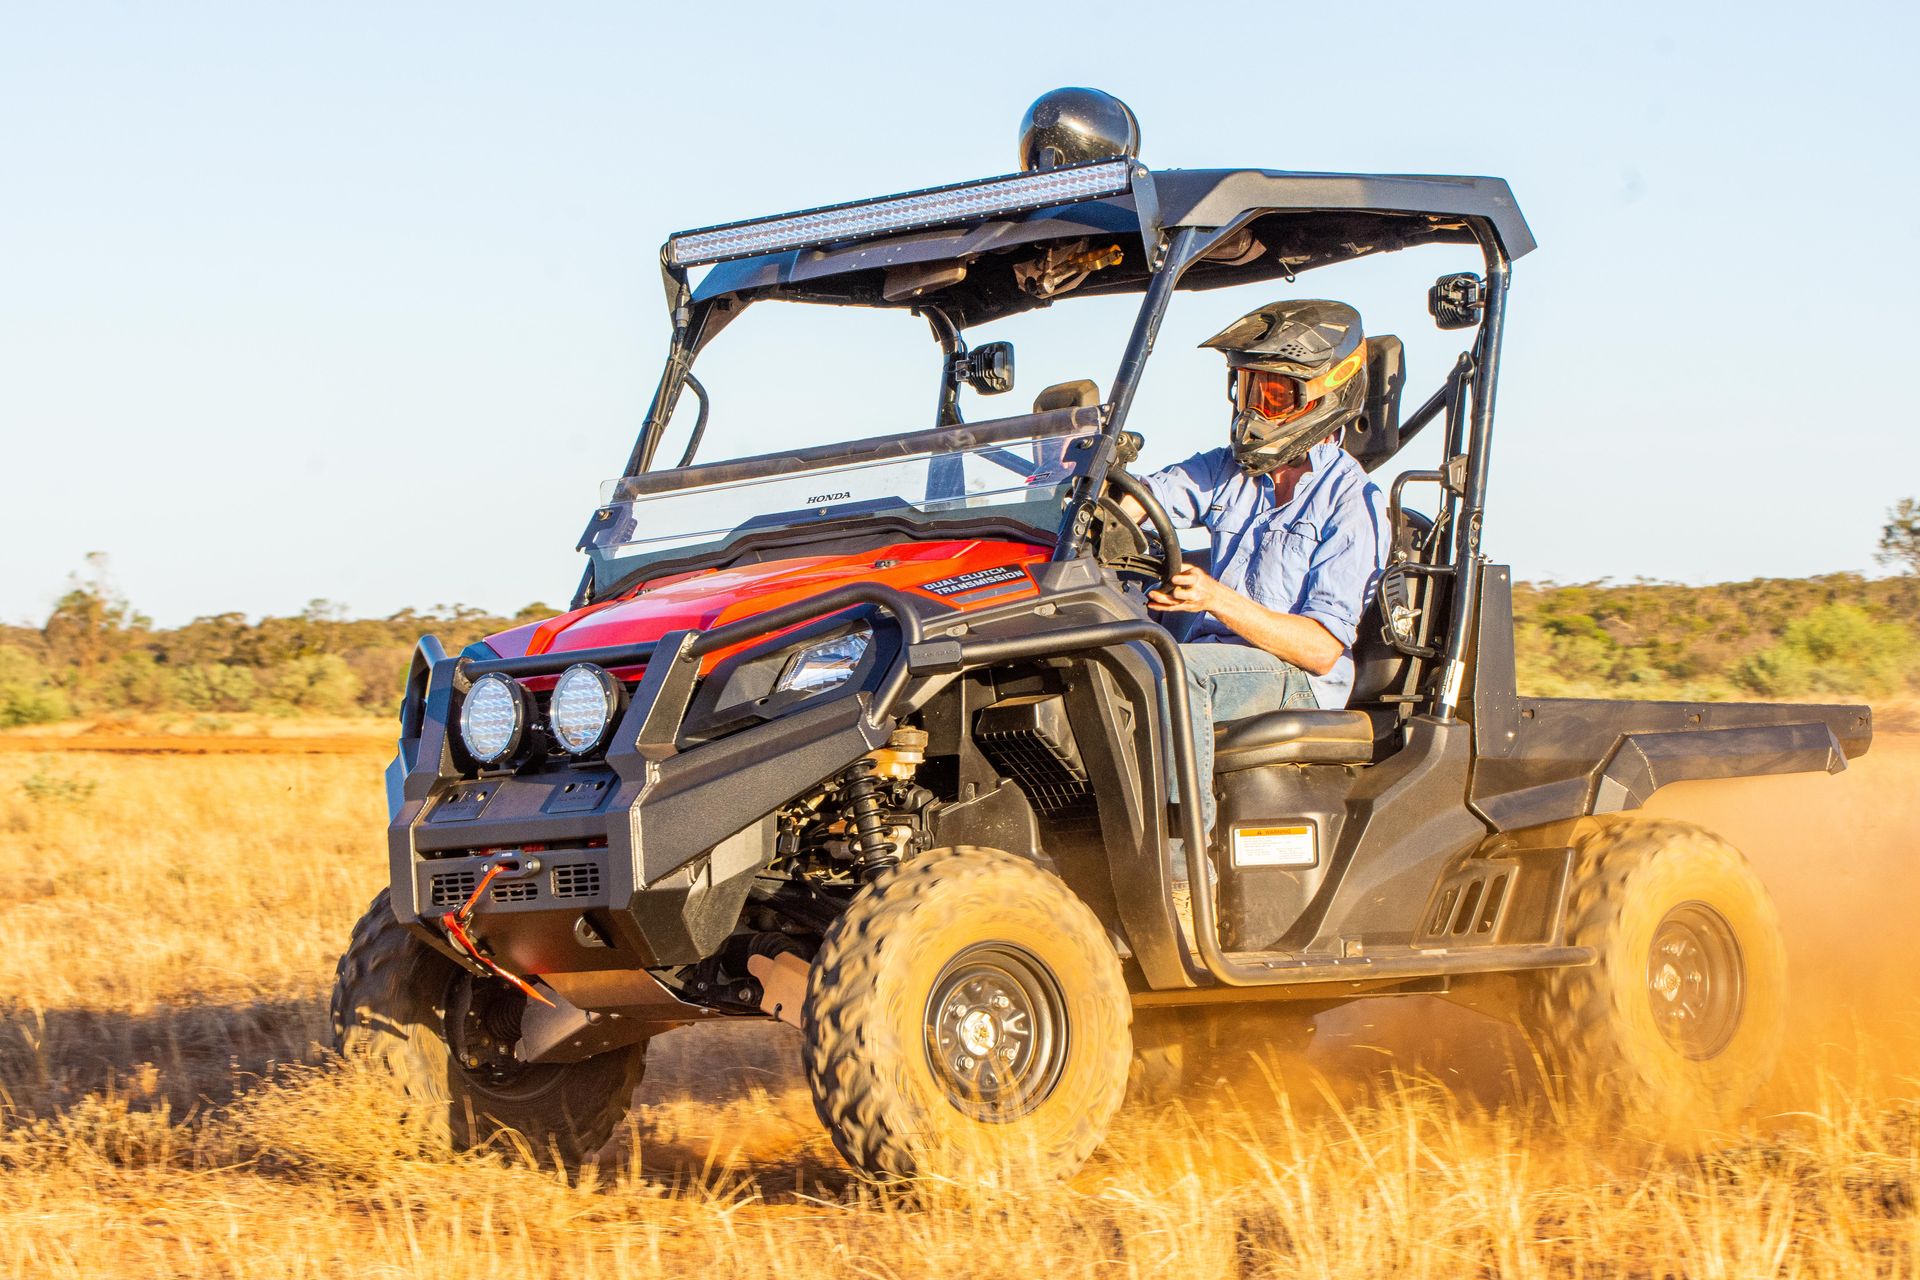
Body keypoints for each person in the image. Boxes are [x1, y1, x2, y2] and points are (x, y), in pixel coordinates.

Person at [1119, 299, 1391, 839]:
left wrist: (1215, 599)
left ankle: (1180, 857)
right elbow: (1148, 498)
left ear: (1326, 394)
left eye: (1273, 394)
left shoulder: (1352, 503)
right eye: (1247, 389)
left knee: (1177, 671)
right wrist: (1099, 502)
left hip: (1297, 678)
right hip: (1221, 658)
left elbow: (1320, 649)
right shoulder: (1228, 468)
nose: (1253, 412)